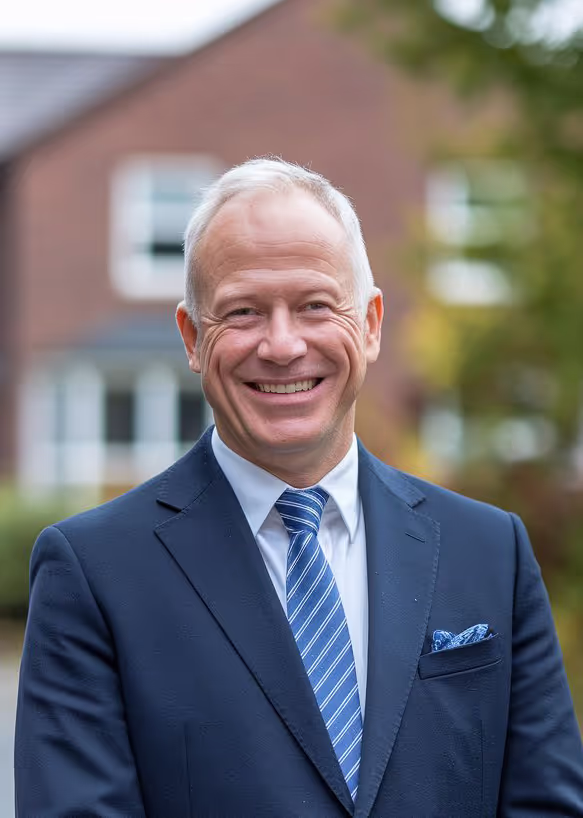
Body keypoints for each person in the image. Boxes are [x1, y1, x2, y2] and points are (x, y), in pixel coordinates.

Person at [14, 158, 583, 817]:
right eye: (243, 312)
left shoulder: (489, 552)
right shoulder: (94, 574)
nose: (282, 346)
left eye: (315, 305)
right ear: (192, 338)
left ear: (370, 324)